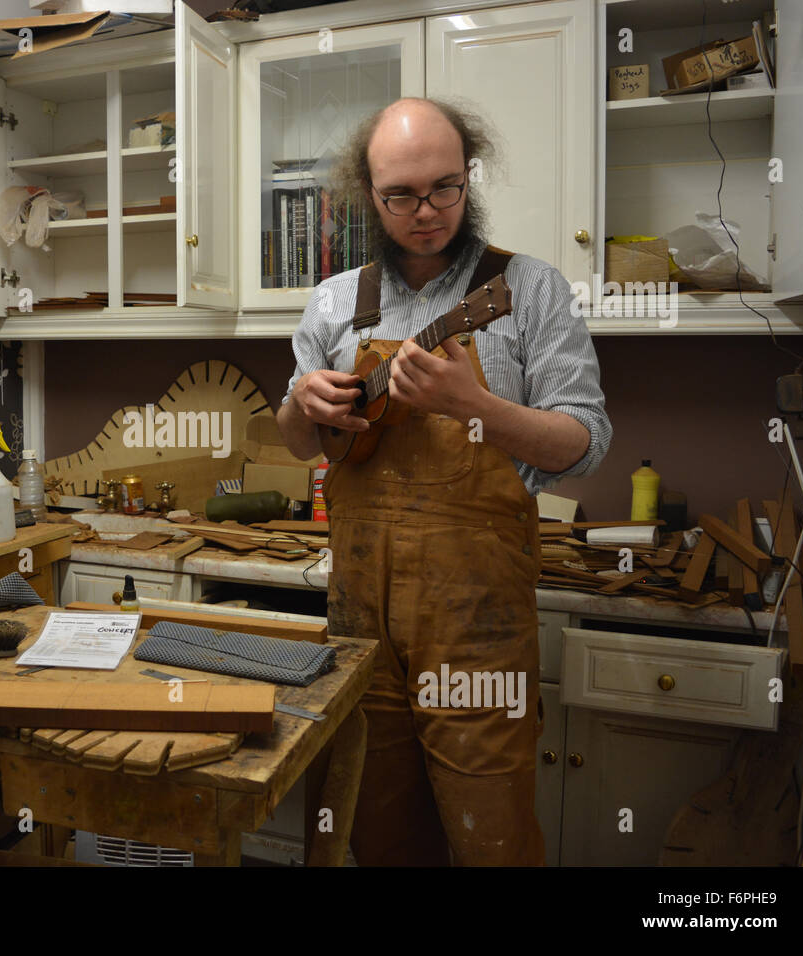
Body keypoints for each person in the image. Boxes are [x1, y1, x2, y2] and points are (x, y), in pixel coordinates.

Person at [276, 98, 612, 866]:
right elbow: (299, 443)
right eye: (401, 195)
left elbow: (585, 444)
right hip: (360, 622)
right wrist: (301, 405)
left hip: (479, 630)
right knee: (378, 831)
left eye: (445, 188)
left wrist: (479, 408)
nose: (426, 211)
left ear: (469, 178)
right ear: (368, 193)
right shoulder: (335, 302)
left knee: (490, 838)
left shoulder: (527, 288)